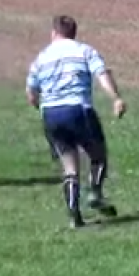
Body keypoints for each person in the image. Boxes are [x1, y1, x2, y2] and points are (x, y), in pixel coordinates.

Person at [26, 15, 124, 228]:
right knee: (98, 155)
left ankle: (74, 217)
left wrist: (40, 107)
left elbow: (31, 93)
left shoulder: (42, 57)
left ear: (54, 33)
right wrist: (116, 98)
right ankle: (95, 192)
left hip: (51, 114)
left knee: (70, 167)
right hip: (78, 109)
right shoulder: (84, 51)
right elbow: (102, 74)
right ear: (73, 33)